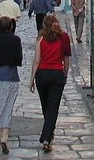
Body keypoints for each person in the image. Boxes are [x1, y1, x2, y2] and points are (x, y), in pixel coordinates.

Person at [29, 14, 71, 153]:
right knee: (53, 107)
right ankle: (48, 137)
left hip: (42, 74)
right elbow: (66, 58)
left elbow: (36, 60)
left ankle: (48, 135)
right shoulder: (64, 37)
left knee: (45, 106)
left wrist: (32, 79)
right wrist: (65, 73)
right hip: (56, 74)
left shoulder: (40, 39)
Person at [0, 17, 23, 155]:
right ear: (10, 27)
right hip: (10, 75)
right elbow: (19, 59)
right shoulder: (15, 40)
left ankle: (1, 131)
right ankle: (4, 135)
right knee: (7, 106)